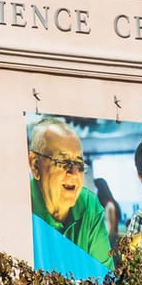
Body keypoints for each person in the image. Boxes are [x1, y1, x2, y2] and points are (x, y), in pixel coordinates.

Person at [27, 116, 112, 272]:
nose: (74, 174)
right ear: (35, 165)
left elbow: (104, 276)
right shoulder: (22, 205)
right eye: (63, 162)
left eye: (79, 164)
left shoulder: (89, 204)